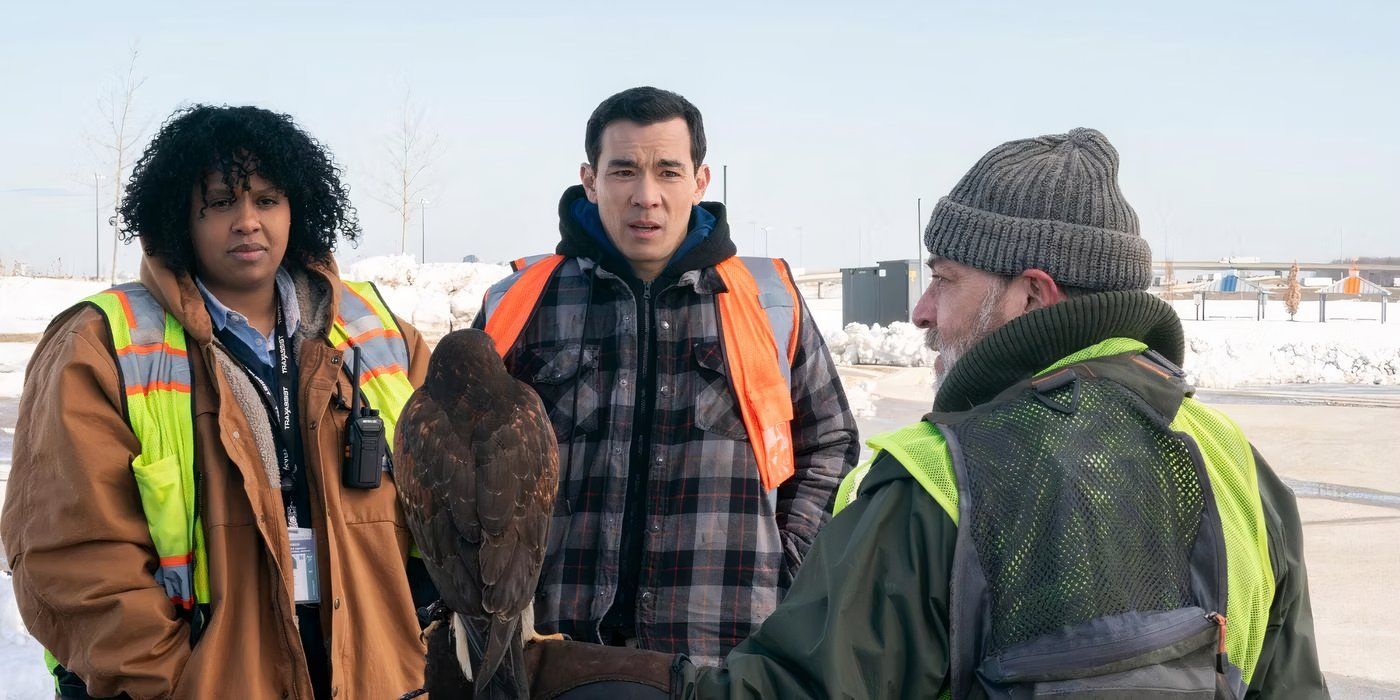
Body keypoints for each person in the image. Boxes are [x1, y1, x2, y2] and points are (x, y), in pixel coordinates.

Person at [523, 128, 1329, 698]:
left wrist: (579, 676)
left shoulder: (942, 478)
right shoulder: (1233, 463)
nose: (919, 309)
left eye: (944, 277)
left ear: (1032, 295)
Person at [1, 105, 437, 699]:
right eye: (221, 202)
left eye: (266, 199)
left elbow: (446, 509)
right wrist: (177, 684)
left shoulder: (379, 330)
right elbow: (71, 556)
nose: (248, 222)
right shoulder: (102, 345)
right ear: (181, 217)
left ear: (297, 207)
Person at [474, 86, 859, 664]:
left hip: (725, 653)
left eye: (668, 171)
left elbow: (829, 440)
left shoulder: (768, 301)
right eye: (623, 170)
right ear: (590, 179)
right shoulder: (519, 303)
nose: (646, 196)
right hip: (550, 647)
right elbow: (460, 457)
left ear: (700, 182)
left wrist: (788, 562)